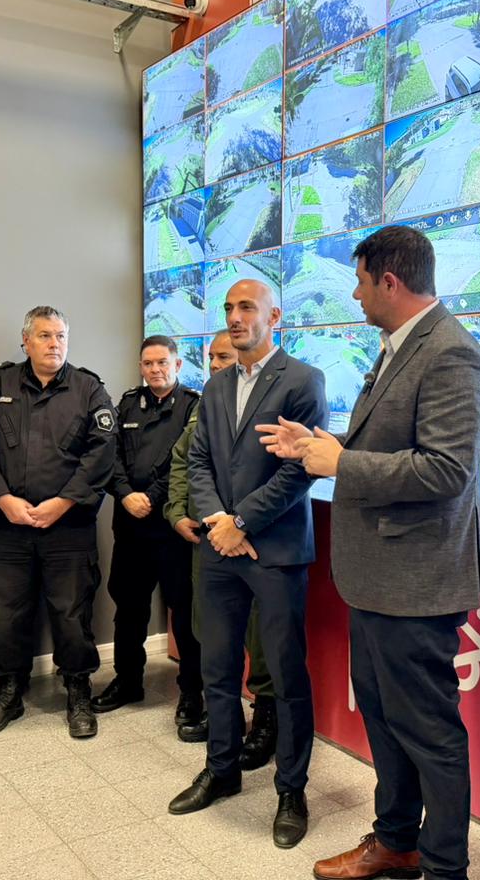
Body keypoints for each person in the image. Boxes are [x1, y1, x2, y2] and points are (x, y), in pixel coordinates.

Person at [260, 225, 480, 880]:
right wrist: (322, 445)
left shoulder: (451, 353)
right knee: (387, 724)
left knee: (429, 733)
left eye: (361, 283)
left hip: (417, 583)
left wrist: (342, 463)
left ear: (390, 282)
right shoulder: (399, 347)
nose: (356, 296)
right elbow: (391, 444)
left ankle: (445, 867)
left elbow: (447, 470)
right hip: (377, 580)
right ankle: (396, 841)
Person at [168, 279, 327, 850]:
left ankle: (291, 789)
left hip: (274, 551)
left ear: (273, 316)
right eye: (229, 308)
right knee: (216, 667)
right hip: (219, 549)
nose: (235, 317)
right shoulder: (216, 385)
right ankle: (222, 769)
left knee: (285, 676)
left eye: (246, 308)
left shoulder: (303, 380)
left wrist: (242, 522)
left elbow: (301, 467)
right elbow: (200, 460)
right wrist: (219, 521)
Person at [0, 305, 116, 740]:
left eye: (61, 336)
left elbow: (101, 451)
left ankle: (78, 691)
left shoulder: (89, 388)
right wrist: (3, 498)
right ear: (26, 341)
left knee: (72, 613)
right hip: (6, 524)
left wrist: (64, 501)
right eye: (45, 336)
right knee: (6, 615)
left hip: (68, 524)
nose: (55, 344)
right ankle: (9, 692)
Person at [164, 330, 279, 756]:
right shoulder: (208, 402)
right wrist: (177, 511)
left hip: (255, 540)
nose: (214, 365)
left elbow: (275, 473)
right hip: (209, 539)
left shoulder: (272, 399)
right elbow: (183, 459)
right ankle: (224, 718)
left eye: (223, 357)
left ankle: (266, 719)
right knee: (212, 633)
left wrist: (241, 522)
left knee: (261, 636)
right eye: (211, 357)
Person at [92, 335, 203, 734]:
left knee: (185, 613)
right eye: (148, 363)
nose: (155, 369)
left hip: (171, 527)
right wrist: (124, 493)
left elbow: (185, 462)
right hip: (130, 526)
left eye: (162, 362)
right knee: (129, 608)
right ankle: (128, 680)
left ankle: (192, 692)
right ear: (141, 367)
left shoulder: (193, 406)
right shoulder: (126, 405)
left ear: (177, 365)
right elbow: (110, 457)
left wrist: (151, 497)